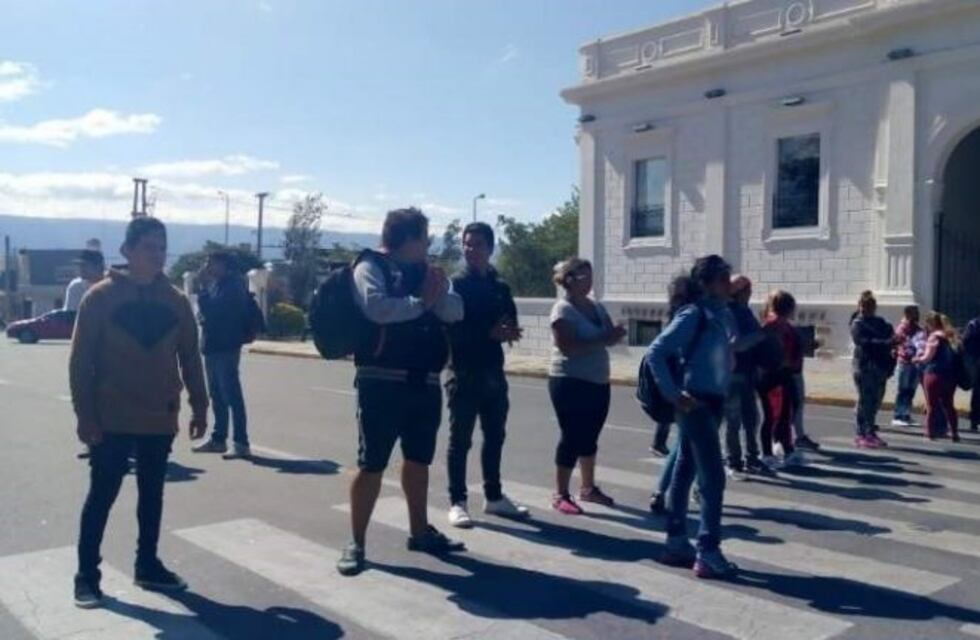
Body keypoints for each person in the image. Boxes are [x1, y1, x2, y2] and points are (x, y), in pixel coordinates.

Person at [69, 217, 209, 608]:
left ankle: (147, 564)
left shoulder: (176, 301)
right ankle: (86, 576)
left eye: (162, 247)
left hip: (159, 415)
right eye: (149, 247)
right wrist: (85, 415)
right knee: (102, 495)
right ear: (127, 251)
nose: (157, 254)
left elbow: (190, 358)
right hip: (111, 416)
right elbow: (80, 362)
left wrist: (200, 405)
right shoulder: (100, 297)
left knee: (152, 496)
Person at [337, 207, 465, 577]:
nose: (428, 244)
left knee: (419, 460)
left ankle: (419, 531)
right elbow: (376, 308)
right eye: (424, 237)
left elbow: (455, 311)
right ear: (408, 239)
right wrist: (422, 303)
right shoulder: (370, 266)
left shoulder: (428, 272)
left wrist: (435, 295)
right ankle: (356, 542)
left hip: (425, 381)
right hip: (381, 380)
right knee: (372, 463)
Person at [649, 255, 739, 580]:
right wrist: (673, 393)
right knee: (713, 477)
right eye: (723, 279)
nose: (729, 285)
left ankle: (676, 542)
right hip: (695, 403)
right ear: (707, 284)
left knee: (685, 468)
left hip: (712, 401)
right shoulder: (694, 314)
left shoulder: (721, 314)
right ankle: (708, 551)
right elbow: (657, 351)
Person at [445, 222, 529, 528]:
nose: (471, 249)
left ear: (490, 248)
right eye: (467, 244)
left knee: (495, 436)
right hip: (463, 372)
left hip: (493, 371)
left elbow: (509, 319)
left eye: (478, 244)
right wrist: (488, 332)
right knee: (460, 440)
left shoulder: (499, 286)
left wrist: (509, 330)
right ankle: (457, 501)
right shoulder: (456, 285)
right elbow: (451, 328)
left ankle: (494, 496)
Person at [548, 258, 626, 515]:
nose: (589, 281)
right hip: (569, 380)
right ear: (569, 279)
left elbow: (608, 337)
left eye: (591, 276)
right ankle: (560, 493)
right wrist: (605, 339)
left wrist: (616, 335)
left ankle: (588, 488)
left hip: (598, 380)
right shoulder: (563, 309)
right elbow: (567, 347)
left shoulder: (596, 306)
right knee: (571, 435)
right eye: (583, 276)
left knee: (590, 435)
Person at [192, 251, 253, 459]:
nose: (207, 266)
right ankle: (218, 439)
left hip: (226, 347)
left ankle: (241, 443)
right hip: (212, 346)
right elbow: (205, 313)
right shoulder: (217, 284)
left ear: (224, 265)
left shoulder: (233, 286)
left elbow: (214, 311)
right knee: (216, 395)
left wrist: (202, 289)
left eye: (211, 263)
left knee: (231, 395)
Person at [723, 275, 774, 479]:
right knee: (733, 420)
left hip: (748, 371)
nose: (751, 293)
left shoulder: (745, 311)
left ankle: (752, 457)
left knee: (751, 418)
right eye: (748, 290)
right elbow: (735, 344)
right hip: (733, 373)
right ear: (739, 292)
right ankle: (733, 461)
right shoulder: (729, 313)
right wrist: (760, 335)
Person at [759, 291, 806, 468]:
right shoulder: (772, 326)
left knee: (787, 412)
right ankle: (767, 453)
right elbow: (766, 350)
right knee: (772, 415)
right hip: (772, 376)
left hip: (785, 374)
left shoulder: (786, 326)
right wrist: (780, 361)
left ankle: (786, 448)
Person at [850, 291, 898, 449]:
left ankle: (869, 430)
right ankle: (862, 433)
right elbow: (865, 342)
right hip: (864, 366)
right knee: (866, 401)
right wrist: (887, 342)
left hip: (880, 366)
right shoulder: (858, 324)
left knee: (876, 400)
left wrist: (892, 342)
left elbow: (890, 335)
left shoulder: (880, 322)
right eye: (863, 306)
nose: (866, 309)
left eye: (869, 306)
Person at [914, 312, 962, 442]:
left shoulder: (934, 337)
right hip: (950, 375)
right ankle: (954, 433)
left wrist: (917, 359)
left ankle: (929, 432)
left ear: (930, 323)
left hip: (934, 373)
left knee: (931, 405)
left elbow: (928, 357)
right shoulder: (950, 336)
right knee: (949, 404)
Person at [892, 305, 925, 427]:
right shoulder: (902, 328)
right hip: (904, 362)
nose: (917, 315)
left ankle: (906, 414)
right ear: (908, 314)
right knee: (903, 389)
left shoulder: (918, 328)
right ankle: (898, 415)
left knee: (911, 390)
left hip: (915, 363)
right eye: (914, 313)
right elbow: (899, 342)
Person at [962, 315, 980, 432]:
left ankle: (975, 419)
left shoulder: (973, 324)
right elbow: (966, 341)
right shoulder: (974, 324)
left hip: (975, 360)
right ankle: (975, 419)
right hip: (976, 361)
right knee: (978, 391)